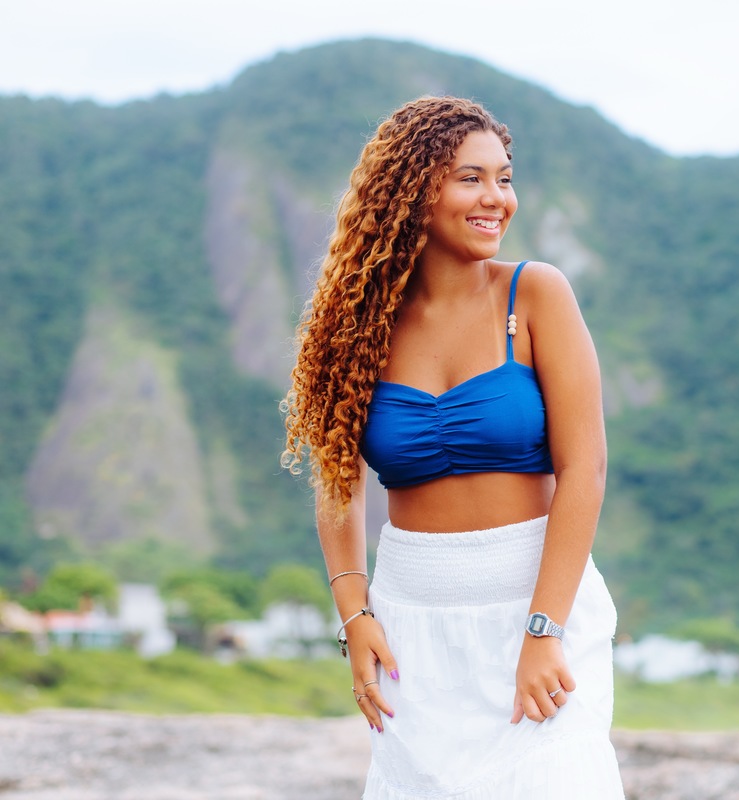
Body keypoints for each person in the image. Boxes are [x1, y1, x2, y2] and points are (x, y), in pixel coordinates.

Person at [282, 96, 625, 799]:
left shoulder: (536, 296)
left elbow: (583, 470)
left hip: (538, 606)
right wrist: (355, 617)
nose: (496, 199)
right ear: (413, 192)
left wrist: (542, 630)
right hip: (413, 619)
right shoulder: (357, 326)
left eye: (504, 178)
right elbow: (337, 482)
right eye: (471, 179)